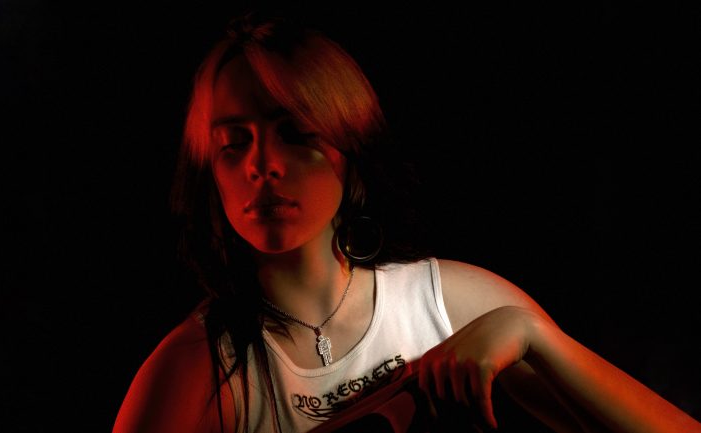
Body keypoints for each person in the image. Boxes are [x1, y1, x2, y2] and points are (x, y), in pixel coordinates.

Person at [111, 12, 701, 433]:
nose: (261, 165)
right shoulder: (194, 367)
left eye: (295, 133)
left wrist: (532, 334)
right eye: (233, 143)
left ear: (351, 150)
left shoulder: (446, 303)